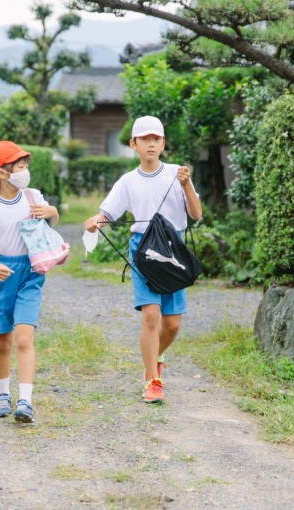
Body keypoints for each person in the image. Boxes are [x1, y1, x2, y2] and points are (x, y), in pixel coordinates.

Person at [84, 116, 202, 404]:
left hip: (173, 249)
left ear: (163, 143)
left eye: (156, 139)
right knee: (151, 315)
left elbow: (197, 215)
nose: (151, 144)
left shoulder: (178, 174)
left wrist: (187, 186)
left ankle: (155, 357)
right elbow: (108, 213)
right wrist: (95, 220)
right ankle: (152, 380)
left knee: (172, 324)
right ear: (133, 144)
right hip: (143, 249)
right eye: (144, 139)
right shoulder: (128, 181)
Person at [0, 140, 60, 423]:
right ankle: (2, 394)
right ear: (2, 173)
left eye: (26, 165)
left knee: (24, 338)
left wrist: (52, 212)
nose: (25, 170)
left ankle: (25, 401)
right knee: (2, 340)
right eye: (19, 166)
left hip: (31, 273)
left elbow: (49, 221)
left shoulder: (32, 196)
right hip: (2, 273)